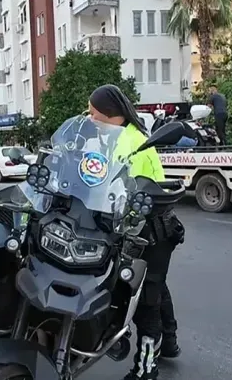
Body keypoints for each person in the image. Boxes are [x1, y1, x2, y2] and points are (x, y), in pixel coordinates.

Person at [87, 85, 185, 380]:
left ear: (110, 114)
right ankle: (169, 341)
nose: (90, 118)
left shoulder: (133, 143)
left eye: (93, 113)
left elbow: (129, 191)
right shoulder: (112, 136)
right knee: (155, 284)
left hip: (150, 228)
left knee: (145, 298)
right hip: (131, 224)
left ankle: (146, 368)